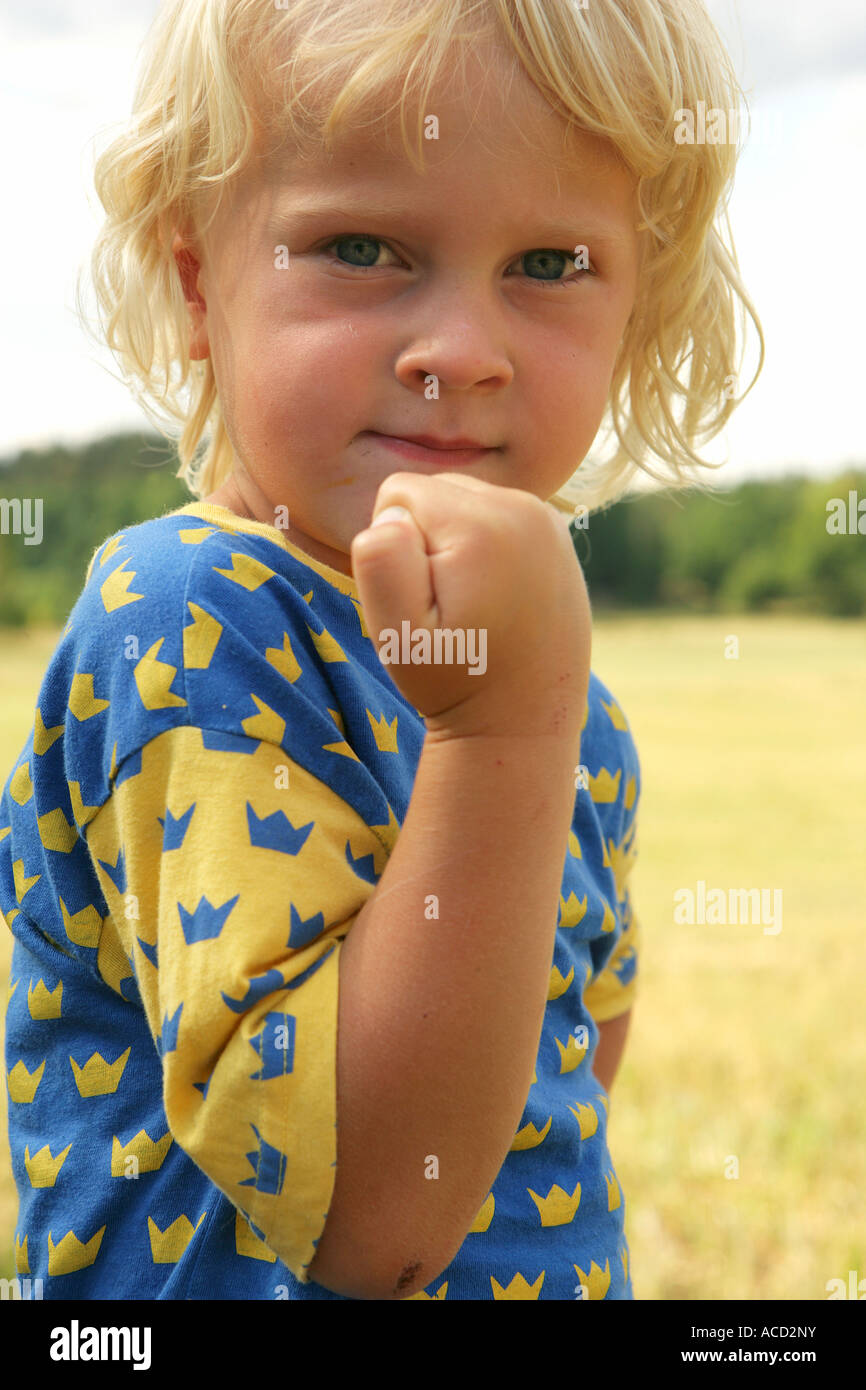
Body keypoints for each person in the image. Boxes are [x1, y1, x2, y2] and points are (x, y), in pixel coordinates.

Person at [0, 0, 763, 1299]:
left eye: (550, 264)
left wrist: (530, 708)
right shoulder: (189, 611)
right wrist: (509, 726)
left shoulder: (562, 694)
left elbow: (561, 1078)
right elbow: (369, 1222)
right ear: (199, 285)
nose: (459, 352)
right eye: (360, 246)